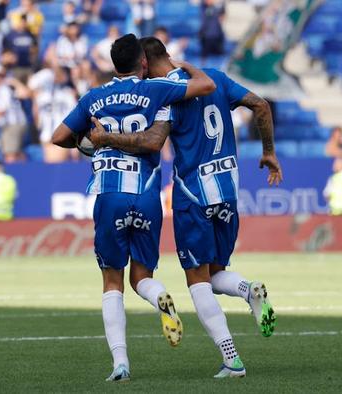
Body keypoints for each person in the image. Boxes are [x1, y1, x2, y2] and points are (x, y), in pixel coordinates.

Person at [89, 36, 282, 378]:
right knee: (216, 272)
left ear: (144, 64)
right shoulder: (215, 78)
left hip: (193, 194)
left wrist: (105, 140)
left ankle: (231, 359)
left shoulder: (165, 94)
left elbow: (152, 141)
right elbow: (262, 105)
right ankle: (248, 290)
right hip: (228, 189)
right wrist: (268, 152)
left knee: (197, 281)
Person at [52, 33, 216, 382]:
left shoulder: (93, 98)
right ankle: (160, 298)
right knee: (142, 276)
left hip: (110, 194)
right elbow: (204, 86)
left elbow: (57, 137)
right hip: (146, 197)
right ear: (143, 62)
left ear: (113, 64)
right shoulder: (156, 89)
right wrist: (182, 65)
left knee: (113, 281)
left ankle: (121, 365)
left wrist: (88, 143)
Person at [29, 66, 78, 163]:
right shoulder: (42, 95)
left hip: (59, 133)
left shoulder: (68, 94)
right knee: (52, 166)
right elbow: (36, 113)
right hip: (50, 133)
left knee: (55, 165)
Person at [0, 66, 29, 162]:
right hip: (18, 123)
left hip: (11, 124)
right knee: (18, 153)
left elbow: (3, 109)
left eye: (1, 76)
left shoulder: (3, 89)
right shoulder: (7, 88)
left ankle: (14, 174)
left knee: (10, 155)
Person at [3, 14, 38, 82]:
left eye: (24, 22)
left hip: (28, 66)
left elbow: (35, 49)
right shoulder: (11, 35)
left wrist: (33, 55)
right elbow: (6, 51)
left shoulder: (31, 35)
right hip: (16, 67)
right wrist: (10, 57)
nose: (23, 24)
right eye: (21, 21)